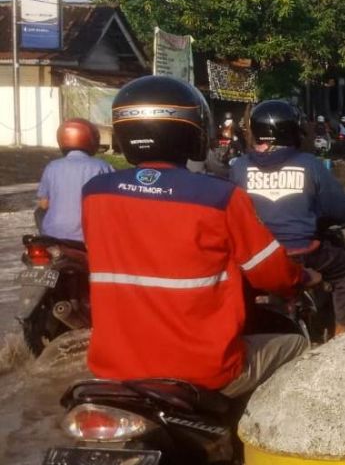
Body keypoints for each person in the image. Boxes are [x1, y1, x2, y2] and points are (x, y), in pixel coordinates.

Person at [83, 76, 308, 397]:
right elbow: (271, 274)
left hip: (113, 370)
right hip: (204, 371)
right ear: (191, 132)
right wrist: (301, 277)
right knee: (297, 345)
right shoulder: (221, 197)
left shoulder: (94, 194)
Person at [230, 100, 345, 337]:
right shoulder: (310, 165)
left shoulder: (239, 167)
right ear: (293, 130)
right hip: (303, 253)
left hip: (256, 256)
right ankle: (341, 335)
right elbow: (339, 208)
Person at [36, 118, 113, 242]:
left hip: (53, 234)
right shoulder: (102, 166)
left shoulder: (52, 166)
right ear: (91, 140)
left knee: (38, 213)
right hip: (88, 236)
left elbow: (44, 204)